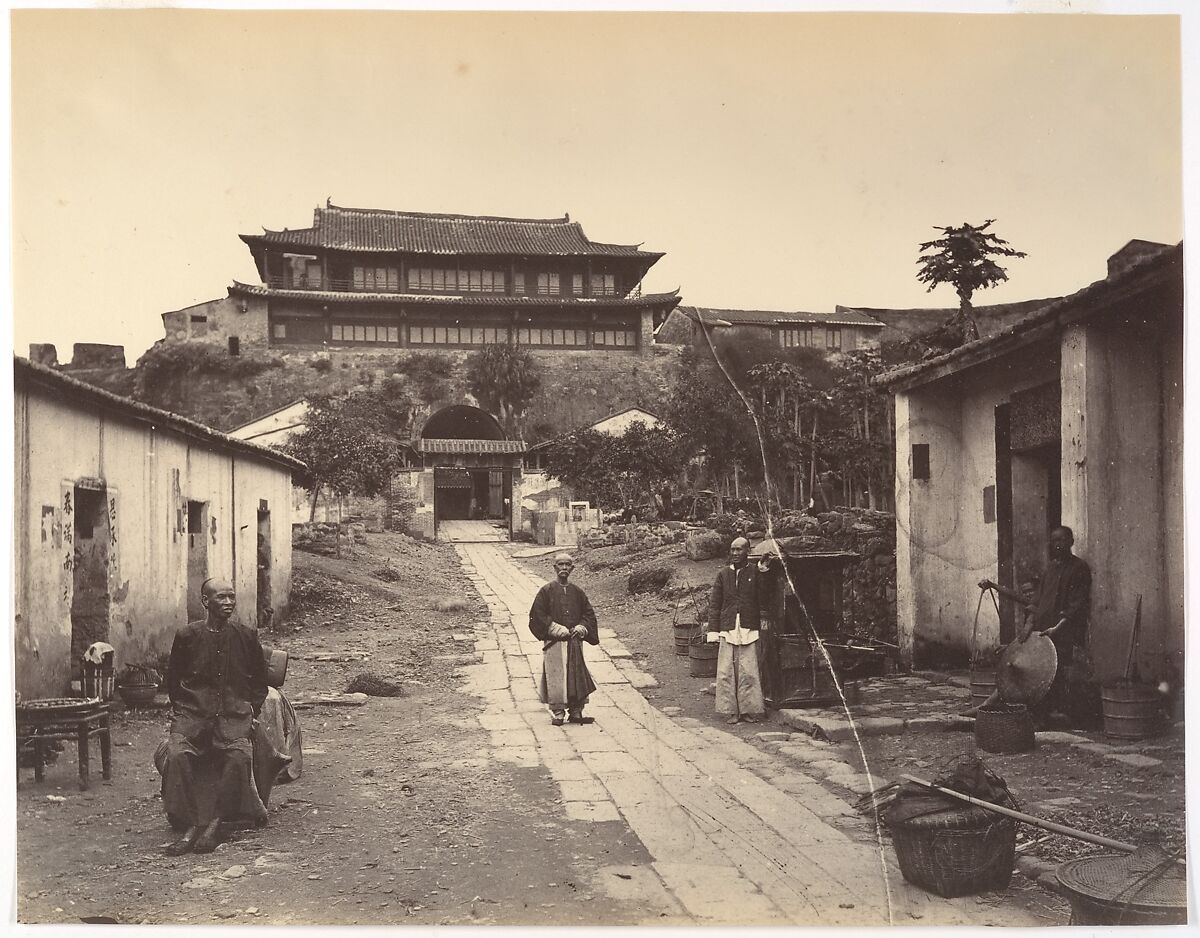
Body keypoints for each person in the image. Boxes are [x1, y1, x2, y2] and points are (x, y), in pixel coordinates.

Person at [162, 578, 270, 855]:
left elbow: (260, 683)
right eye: (221, 598)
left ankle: (217, 823)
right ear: (205, 602)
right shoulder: (187, 636)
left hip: (234, 717)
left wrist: (251, 712)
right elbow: (173, 681)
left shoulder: (246, 636)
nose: (228, 603)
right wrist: (183, 711)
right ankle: (190, 825)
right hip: (193, 716)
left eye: (231, 597)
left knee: (240, 757)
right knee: (176, 755)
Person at [978, 525, 1092, 722]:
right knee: (1037, 670)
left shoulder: (1079, 568)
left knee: (1056, 671)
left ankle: (1050, 715)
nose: (1057, 545)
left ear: (1071, 542)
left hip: (1064, 631)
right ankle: (1038, 714)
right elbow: (1038, 601)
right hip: (1043, 632)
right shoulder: (1051, 569)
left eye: (1062, 540)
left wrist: (1058, 627)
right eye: (1054, 541)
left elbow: (1077, 604)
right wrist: (1030, 625)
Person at [529, 553, 599, 726]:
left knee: (577, 675)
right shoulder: (546, 591)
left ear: (572, 568)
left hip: (575, 642)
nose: (564, 568)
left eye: (568, 565)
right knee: (556, 677)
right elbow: (536, 615)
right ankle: (558, 713)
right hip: (555, 643)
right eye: (560, 564)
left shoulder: (578, 592)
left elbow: (588, 614)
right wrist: (554, 628)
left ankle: (576, 711)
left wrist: (582, 627)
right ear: (554, 567)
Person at [707, 537, 767, 725]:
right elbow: (715, 605)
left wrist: (764, 573)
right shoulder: (723, 575)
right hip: (728, 628)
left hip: (748, 627)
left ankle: (748, 710)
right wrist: (713, 631)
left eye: (739, 550)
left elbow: (764, 596)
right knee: (726, 673)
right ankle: (729, 711)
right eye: (732, 550)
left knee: (748, 672)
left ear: (747, 551)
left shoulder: (755, 573)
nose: (734, 553)